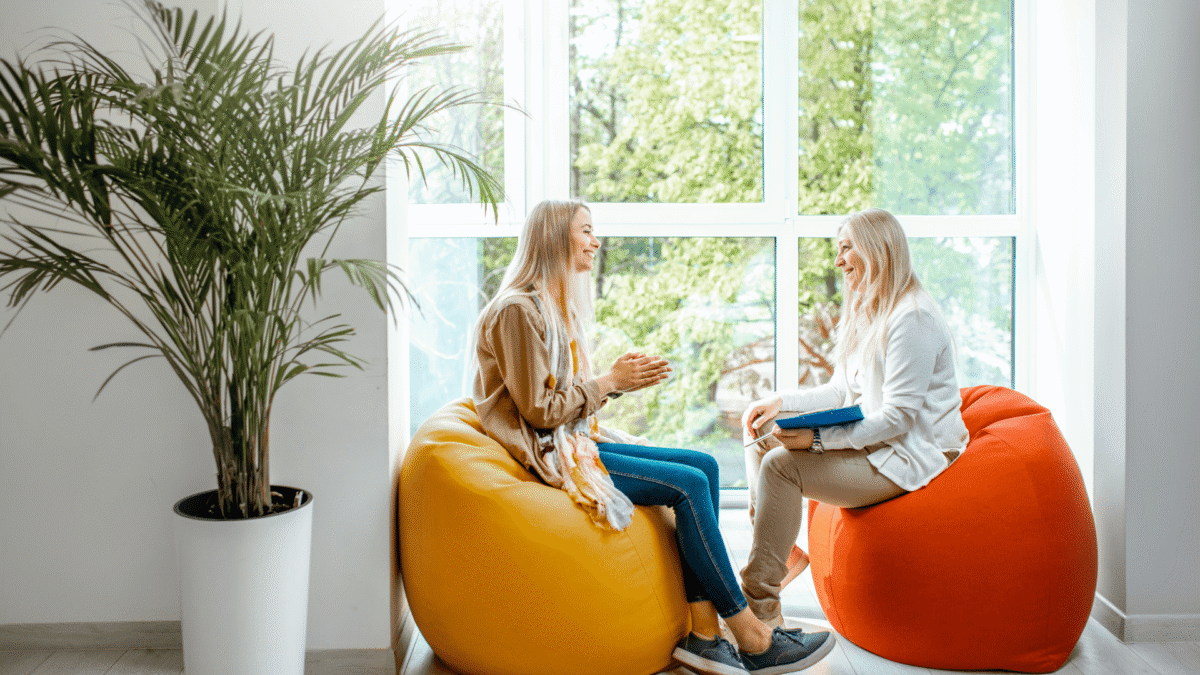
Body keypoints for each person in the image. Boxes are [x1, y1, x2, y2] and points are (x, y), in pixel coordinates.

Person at [472, 200, 835, 675]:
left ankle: (704, 635)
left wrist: (616, 383)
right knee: (687, 486)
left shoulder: (546, 308)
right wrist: (610, 382)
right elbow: (541, 413)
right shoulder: (518, 311)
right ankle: (750, 633)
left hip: (567, 440)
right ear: (556, 238)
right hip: (547, 455)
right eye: (586, 231)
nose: (596, 241)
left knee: (703, 465)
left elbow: (558, 402)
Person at [739, 207, 970, 627]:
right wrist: (780, 402)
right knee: (759, 429)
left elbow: (898, 418)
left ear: (876, 251)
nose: (838, 260)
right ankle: (781, 550)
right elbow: (840, 392)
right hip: (881, 443)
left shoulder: (911, 318)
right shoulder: (870, 311)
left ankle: (759, 607)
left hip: (908, 455)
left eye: (847, 248)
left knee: (780, 465)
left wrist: (818, 440)